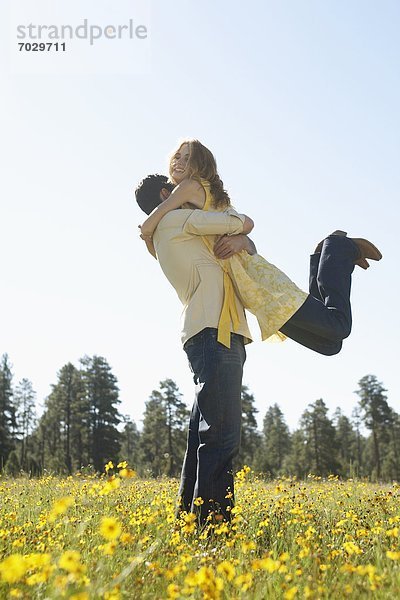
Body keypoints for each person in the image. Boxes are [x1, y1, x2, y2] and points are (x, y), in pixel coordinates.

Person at [138, 139, 382, 356]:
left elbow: (162, 211)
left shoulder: (190, 187)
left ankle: (336, 248)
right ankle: (322, 258)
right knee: (330, 345)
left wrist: (146, 230)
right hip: (249, 287)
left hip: (257, 281)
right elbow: (241, 237)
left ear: (199, 164)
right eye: (176, 157)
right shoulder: (194, 206)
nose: (178, 162)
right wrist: (242, 241)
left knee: (338, 327)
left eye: (187, 157)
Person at [136, 167, 255, 525]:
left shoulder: (168, 230)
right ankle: (212, 526)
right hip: (213, 331)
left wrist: (244, 242)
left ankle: (189, 521)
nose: (188, 191)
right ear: (165, 197)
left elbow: (240, 239)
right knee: (221, 435)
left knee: (203, 433)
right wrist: (243, 235)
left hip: (211, 330)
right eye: (177, 189)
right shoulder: (179, 222)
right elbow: (240, 220)